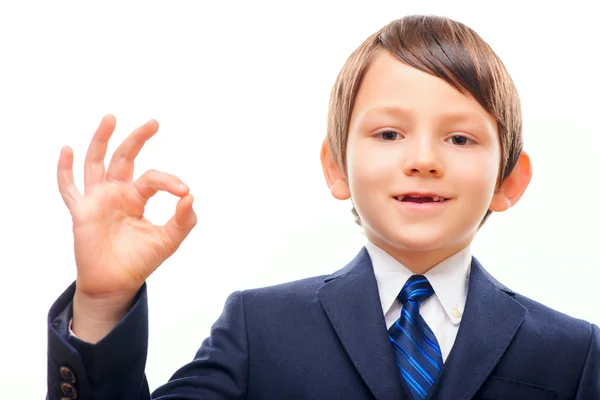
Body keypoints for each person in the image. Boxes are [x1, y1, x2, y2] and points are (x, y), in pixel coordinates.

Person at [46, 14, 599, 400]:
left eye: (459, 139)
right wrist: (103, 302)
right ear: (336, 168)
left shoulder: (573, 353)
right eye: (388, 133)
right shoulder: (258, 329)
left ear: (509, 180)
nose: (424, 159)